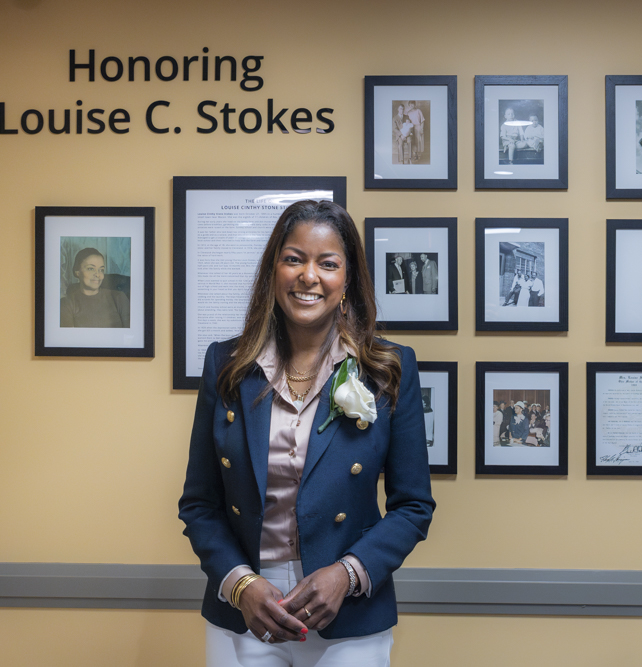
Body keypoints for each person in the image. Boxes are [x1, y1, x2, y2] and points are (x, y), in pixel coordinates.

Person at [179, 200, 435, 666]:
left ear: (348, 279)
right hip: (247, 606)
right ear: (273, 269)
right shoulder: (226, 365)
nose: (308, 276)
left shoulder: (388, 369)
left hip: (350, 610)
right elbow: (199, 504)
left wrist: (346, 574)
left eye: (328, 263)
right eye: (294, 258)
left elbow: (413, 506)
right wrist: (241, 585)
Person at [59, 247, 130, 328]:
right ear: (77, 272)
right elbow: (68, 338)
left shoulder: (119, 298)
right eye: (91, 268)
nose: (97, 274)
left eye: (101, 270)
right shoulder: (67, 304)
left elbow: (129, 335)